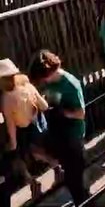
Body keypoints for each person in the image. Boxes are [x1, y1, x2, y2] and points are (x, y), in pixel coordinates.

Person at [28, 51, 89, 206]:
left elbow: (81, 114)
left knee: (75, 183)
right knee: (35, 150)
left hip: (72, 135)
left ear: (50, 71)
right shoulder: (48, 82)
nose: (43, 82)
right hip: (57, 132)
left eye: (43, 78)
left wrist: (63, 112)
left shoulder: (70, 84)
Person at [1, 58, 49, 199]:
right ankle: (57, 167)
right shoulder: (27, 86)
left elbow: (10, 125)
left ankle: (33, 183)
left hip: (23, 132)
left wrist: (13, 145)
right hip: (38, 126)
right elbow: (44, 105)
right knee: (39, 153)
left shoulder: (7, 98)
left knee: (18, 161)